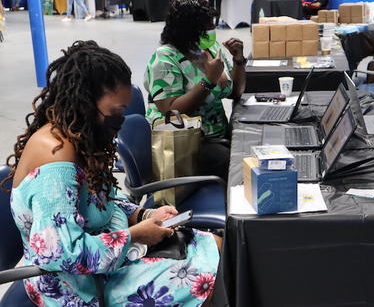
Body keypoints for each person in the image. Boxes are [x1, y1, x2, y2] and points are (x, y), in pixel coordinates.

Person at [2, 40, 221, 306]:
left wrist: (143, 215)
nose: (119, 121)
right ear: (84, 102)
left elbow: (101, 200)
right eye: (115, 113)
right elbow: (62, 254)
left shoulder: (76, 134)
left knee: (214, 245)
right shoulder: (55, 160)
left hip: (107, 257)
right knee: (207, 278)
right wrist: (136, 235)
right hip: (75, 285)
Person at [144, 0, 247, 181]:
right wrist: (209, 80)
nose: (211, 30)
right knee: (235, 164)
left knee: (249, 146)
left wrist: (238, 60)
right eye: (205, 27)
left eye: (211, 25)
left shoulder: (210, 48)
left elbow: (235, 92)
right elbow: (171, 110)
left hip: (215, 135)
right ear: (188, 29)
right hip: (185, 143)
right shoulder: (165, 59)